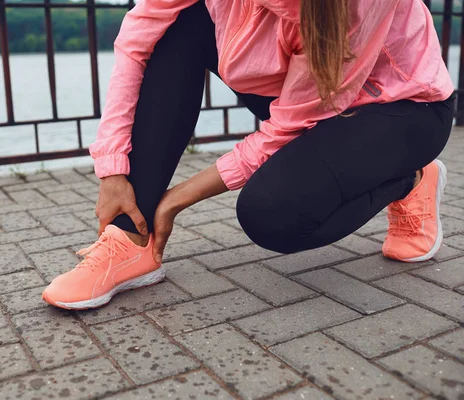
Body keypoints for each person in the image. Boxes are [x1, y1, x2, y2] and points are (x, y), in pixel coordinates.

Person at [42, 0, 455, 310]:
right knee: (174, 24)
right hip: (299, 94)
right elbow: (135, 44)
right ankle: (129, 237)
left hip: (399, 110)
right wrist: (112, 169)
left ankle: (410, 178)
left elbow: (289, 125)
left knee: (272, 215)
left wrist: (179, 197)